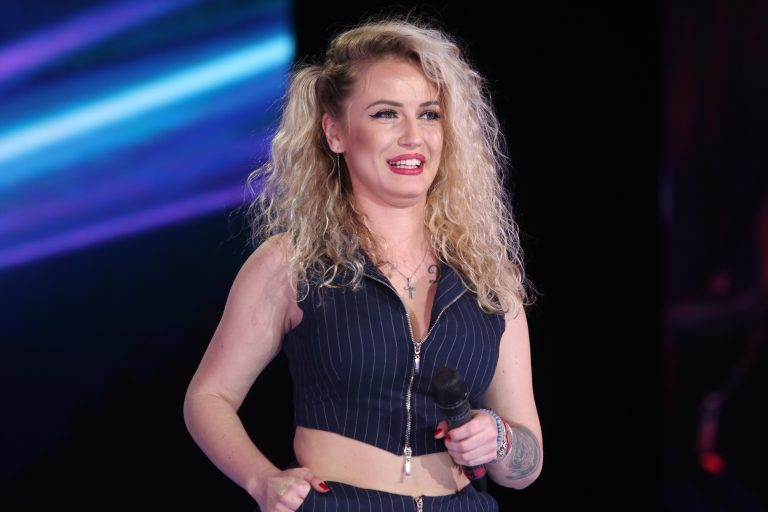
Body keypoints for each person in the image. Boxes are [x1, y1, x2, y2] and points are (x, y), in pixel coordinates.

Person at [183, 15, 543, 511]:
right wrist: (262, 480)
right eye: (386, 114)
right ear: (335, 132)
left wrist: (499, 439)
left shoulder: (489, 277)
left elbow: (527, 466)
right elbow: (208, 397)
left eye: (429, 114)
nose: (414, 136)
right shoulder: (293, 262)